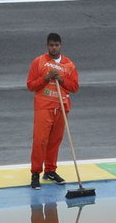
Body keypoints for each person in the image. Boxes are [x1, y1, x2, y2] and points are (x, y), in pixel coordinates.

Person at [26, 33, 78, 189]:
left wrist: (61, 80)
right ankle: (35, 173)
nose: (54, 48)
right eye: (51, 45)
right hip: (43, 106)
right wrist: (46, 78)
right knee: (40, 141)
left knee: (55, 141)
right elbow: (31, 85)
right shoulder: (39, 62)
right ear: (47, 46)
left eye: (56, 45)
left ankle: (50, 170)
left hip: (61, 106)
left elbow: (75, 87)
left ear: (60, 46)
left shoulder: (69, 64)